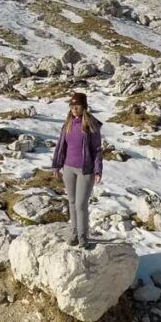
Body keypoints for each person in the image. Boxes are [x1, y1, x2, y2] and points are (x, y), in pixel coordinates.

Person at [50, 91, 103, 249]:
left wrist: (98, 170)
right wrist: (56, 165)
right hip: (68, 168)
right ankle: (74, 233)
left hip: (85, 170)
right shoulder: (68, 124)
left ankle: (83, 236)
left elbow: (97, 150)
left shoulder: (91, 125)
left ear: (84, 107)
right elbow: (61, 146)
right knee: (72, 202)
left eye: (77, 106)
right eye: (72, 106)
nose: (74, 109)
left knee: (81, 204)